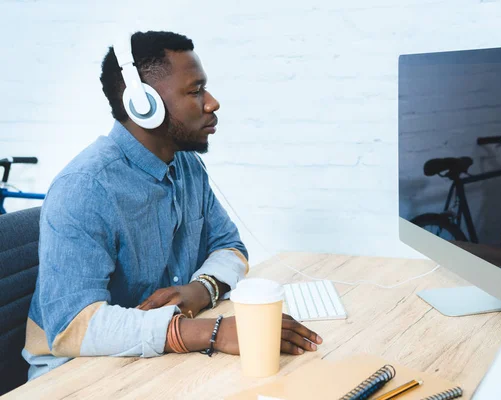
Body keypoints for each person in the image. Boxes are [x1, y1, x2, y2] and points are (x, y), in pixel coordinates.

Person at [22, 30, 322, 380]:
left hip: (153, 359)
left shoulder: (186, 165)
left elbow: (230, 246)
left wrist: (202, 289)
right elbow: (73, 326)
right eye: (195, 91)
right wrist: (210, 332)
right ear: (143, 105)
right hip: (77, 375)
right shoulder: (86, 188)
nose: (211, 102)